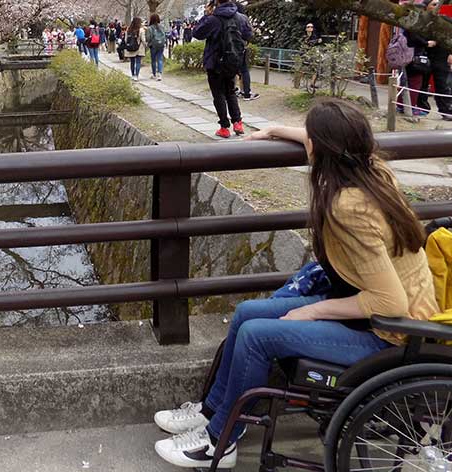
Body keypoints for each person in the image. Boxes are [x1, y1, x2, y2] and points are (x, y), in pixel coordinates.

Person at [153, 99, 440, 469]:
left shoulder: (348, 206)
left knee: (258, 334)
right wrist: (274, 130)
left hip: (390, 333)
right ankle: (213, 412)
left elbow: (390, 303)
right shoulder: (370, 168)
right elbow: (323, 138)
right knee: (246, 313)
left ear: (319, 149)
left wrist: (312, 310)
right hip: (379, 313)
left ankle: (219, 442)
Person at [193, 0, 253, 138]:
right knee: (230, 91)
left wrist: (206, 14)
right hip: (233, 62)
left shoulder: (213, 19)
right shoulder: (241, 18)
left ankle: (224, 127)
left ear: (216, 2)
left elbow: (197, 33)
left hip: (215, 62)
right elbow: (249, 35)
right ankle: (238, 122)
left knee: (218, 94)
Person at [425, 0, 452, 121]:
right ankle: (420, 108)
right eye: (433, 4)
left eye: (438, 4)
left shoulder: (446, 20)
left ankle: (446, 110)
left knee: (442, 84)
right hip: (424, 54)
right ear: (427, 7)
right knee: (422, 83)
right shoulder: (422, 21)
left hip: (442, 56)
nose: (437, 7)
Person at [146, 14, 167, 81]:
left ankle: (154, 74)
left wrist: (149, 43)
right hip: (161, 45)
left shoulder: (150, 28)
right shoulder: (162, 27)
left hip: (153, 45)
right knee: (160, 59)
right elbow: (165, 35)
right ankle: (160, 74)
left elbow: (148, 38)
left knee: (153, 60)